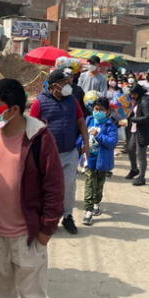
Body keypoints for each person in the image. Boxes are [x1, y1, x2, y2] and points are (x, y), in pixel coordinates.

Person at [0, 78, 65, 298]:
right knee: (0, 296)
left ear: (13, 109)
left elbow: (54, 187)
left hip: (28, 236)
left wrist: (46, 231)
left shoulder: (39, 138)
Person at [30, 69, 89, 235]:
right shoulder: (39, 103)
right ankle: (45, 218)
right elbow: (31, 128)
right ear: (55, 85)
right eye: (65, 83)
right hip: (47, 155)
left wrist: (86, 143)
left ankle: (68, 216)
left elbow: (81, 122)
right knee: (46, 187)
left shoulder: (72, 101)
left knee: (68, 186)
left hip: (69, 152)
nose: (68, 86)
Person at [78, 97, 118, 225]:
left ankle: (96, 203)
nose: (98, 112)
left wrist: (98, 135)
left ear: (107, 111)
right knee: (89, 183)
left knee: (99, 184)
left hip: (103, 160)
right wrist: (78, 146)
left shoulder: (110, 125)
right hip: (89, 158)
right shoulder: (89, 120)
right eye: (96, 109)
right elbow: (81, 136)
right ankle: (88, 211)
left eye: (101, 110)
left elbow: (112, 142)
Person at [125, 84, 149, 186]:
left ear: (138, 93)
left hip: (143, 132)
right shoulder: (139, 100)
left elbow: (148, 117)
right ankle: (134, 169)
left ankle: (142, 177)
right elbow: (136, 111)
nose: (132, 96)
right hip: (136, 130)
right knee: (130, 149)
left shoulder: (145, 102)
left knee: (141, 155)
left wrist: (133, 119)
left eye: (133, 94)